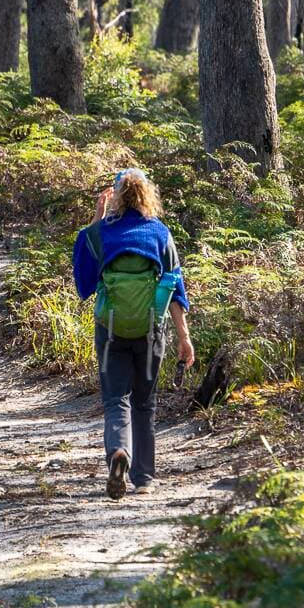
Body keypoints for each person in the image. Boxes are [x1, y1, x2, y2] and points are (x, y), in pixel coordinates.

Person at [72, 168, 194, 499]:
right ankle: (144, 479)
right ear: (146, 195)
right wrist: (184, 337)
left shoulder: (102, 233)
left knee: (116, 399)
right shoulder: (159, 233)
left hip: (111, 329)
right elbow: (175, 287)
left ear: (116, 196)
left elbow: (83, 280)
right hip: (150, 330)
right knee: (145, 403)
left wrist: (97, 221)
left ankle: (117, 453)